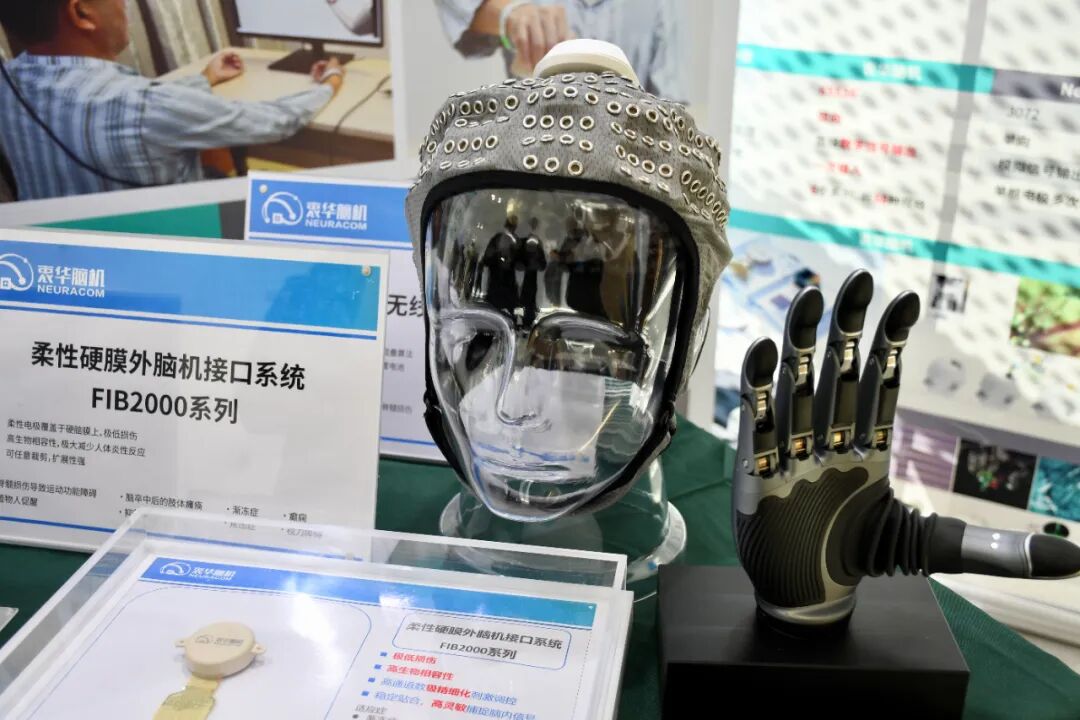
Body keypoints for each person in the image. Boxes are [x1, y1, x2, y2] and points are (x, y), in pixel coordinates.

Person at [0, 0, 346, 200]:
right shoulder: (142, 105)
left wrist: (204, 79)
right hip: (174, 248)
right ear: (82, 14)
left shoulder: (8, 83)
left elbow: (133, 107)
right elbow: (276, 121)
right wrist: (330, 81)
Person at [434, 0, 687, 100]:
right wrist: (509, 13)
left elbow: (671, 107)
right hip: (535, 151)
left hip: (627, 163)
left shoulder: (662, 5)